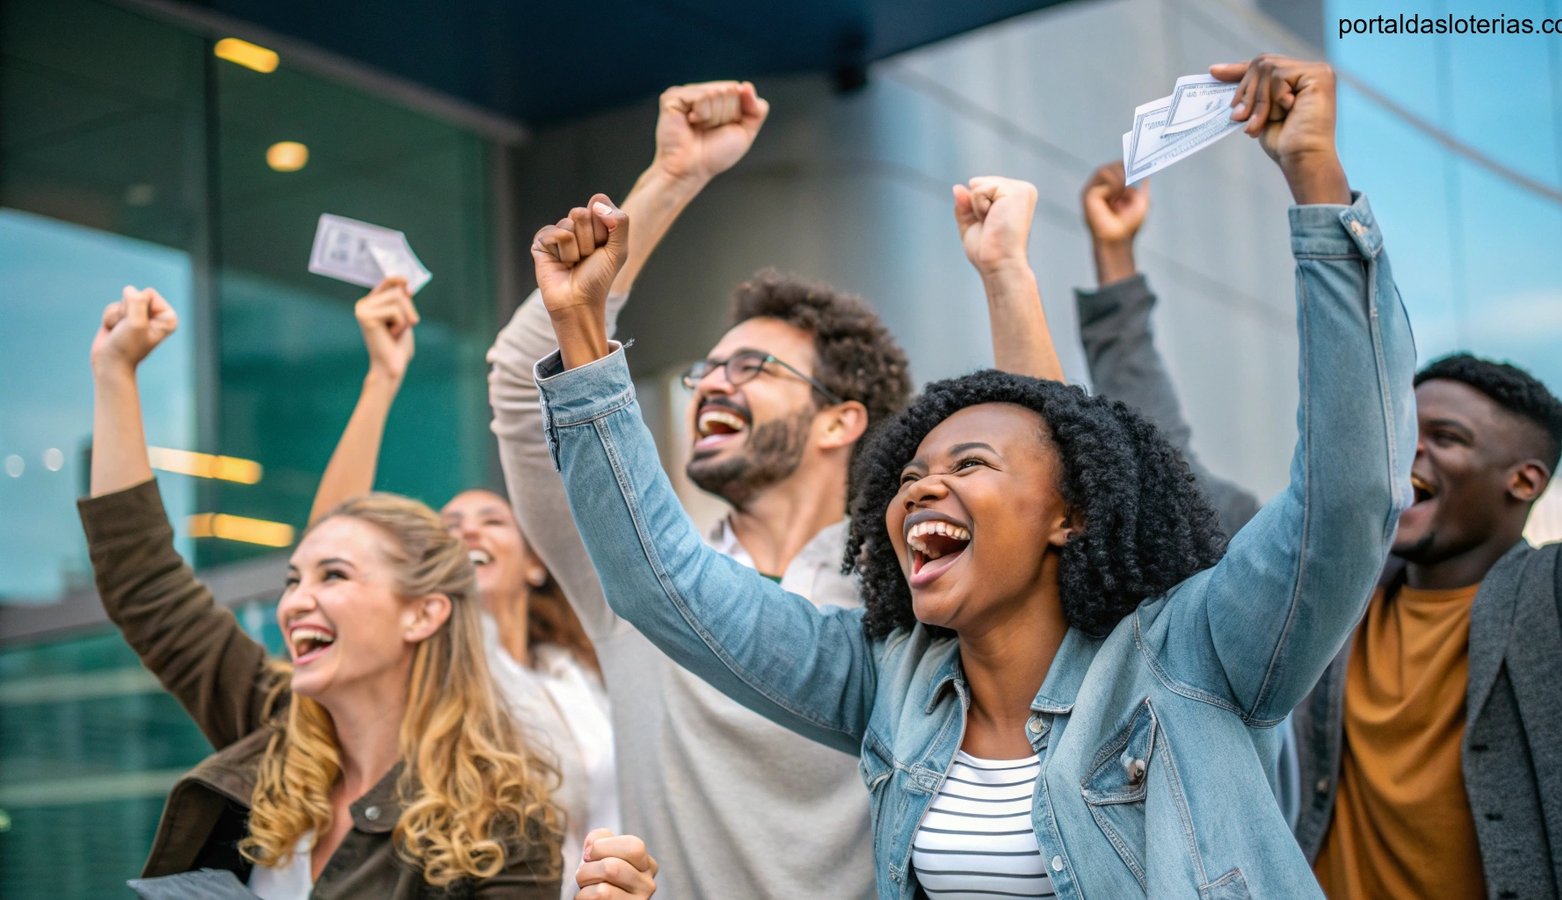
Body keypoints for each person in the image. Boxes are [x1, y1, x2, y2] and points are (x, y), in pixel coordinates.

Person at [527, 54, 1415, 898]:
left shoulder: (1197, 655)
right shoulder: (888, 679)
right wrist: (581, 329)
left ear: (1070, 513)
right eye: (908, 474)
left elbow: (1348, 499)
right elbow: (664, 587)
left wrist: (1316, 188)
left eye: (969, 464)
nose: (919, 488)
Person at [490, 81, 1061, 897]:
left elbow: (1042, 485)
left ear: (841, 422)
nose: (712, 386)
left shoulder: (916, 589)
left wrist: (1006, 272)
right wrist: (673, 175)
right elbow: (524, 381)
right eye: (705, 370)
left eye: (753, 369)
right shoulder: (627, 567)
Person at [1073, 122, 1562, 900]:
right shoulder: (1320, 590)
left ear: (1523, 481)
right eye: (1404, 432)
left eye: (1444, 439)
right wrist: (1115, 264)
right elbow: (1161, 458)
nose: (1406, 454)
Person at [83, 287, 656, 899]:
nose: (295, 601)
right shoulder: (272, 726)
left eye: (333, 576)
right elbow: (144, 583)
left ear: (424, 613)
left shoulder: (500, 825)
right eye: (293, 579)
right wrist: (115, 373)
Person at [307, 276, 617, 899]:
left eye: (491, 520)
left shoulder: (577, 674)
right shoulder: (438, 665)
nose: (467, 532)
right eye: (450, 527)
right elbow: (330, 543)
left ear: (536, 565)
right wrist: (381, 380)